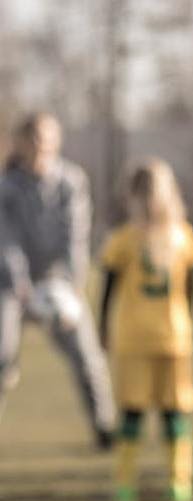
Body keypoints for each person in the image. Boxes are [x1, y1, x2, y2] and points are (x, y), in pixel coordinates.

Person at [0, 112, 115, 449]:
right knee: (2, 359)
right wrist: (20, 283)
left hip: (57, 282)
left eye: (46, 137)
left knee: (87, 356)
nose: (40, 144)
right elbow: (7, 240)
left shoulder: (71, 181)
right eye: (33, 137)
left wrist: (70, 283)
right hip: (10, 285)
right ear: (20, 143)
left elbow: (75, 236)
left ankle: (105, 428)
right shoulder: (6, 187)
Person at [99, 158, 193, 501]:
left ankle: (125, 485)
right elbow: (192, 290)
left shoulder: (123, 239)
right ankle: (179, 483)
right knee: (175, 412)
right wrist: (187, 322)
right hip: (173, 335)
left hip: (133, 337)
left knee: (132, 412)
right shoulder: (184, 236)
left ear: (131, 194)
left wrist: (101, 329)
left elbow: (108, 289)